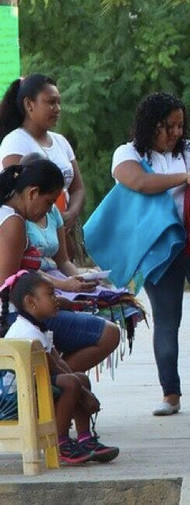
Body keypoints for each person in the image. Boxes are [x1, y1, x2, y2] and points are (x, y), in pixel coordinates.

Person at [112, 92, 190, 416]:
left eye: (180, 126)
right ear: (149, 125)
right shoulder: (127, 153)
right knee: (168, 321)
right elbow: (139, 182)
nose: (175, 133)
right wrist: (185, 178)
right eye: (167, 126)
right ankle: (170, 393)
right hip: (160, 252)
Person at [0, 159, 119, 373]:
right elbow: (9, 281)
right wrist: (59, 293)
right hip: (12, 315)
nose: (47, 212)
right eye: (48, 203)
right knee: (109, 333)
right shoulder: (13, 222)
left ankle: (56, 385)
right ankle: (53, 387)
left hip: (17, 310)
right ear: (32, 193)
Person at [0, 270, 120, 465]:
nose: (57, 299)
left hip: (30, 389)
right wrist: (85, 395)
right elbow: (53, 370)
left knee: (79, 378)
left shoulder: (40, 328)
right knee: (70, 383)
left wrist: (83, 389)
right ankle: (60, 442)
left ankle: (85, 439)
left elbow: (60, 363)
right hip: (12, 400)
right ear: (31, 302)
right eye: (51, 294)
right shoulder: (26, 332)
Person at [0, 74, 86, 261]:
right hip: (34, 236)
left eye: (59, 103)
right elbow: (21, 195)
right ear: (29, 105)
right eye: (51, 102)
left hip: (61, 228)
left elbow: (78, 188)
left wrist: (70, 214)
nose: (57, 109)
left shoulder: (61, 142)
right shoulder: (15, 142)